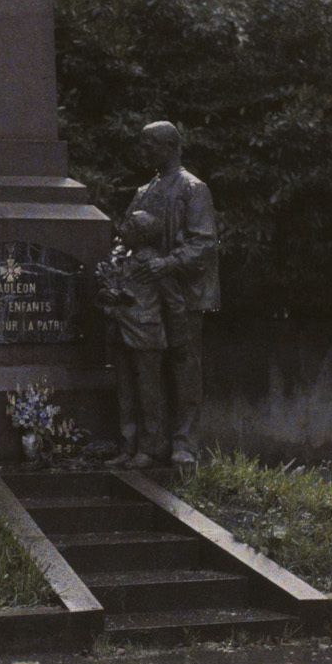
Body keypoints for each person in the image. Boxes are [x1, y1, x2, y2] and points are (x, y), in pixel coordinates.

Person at [122, 120, 218, 466]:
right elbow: (127, 237)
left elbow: (203, 243)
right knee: (148, 369)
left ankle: (185, 444)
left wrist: (166, 264)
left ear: (170, 147)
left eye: (149, 145)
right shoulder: (143, 191)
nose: (143, 151)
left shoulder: (193, 188)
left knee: (184, 366)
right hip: (147, 296)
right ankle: (151, 444)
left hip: (184, 294)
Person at [96, 203, 169, 466]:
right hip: (121, 332)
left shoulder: (154, 264)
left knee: (148, 396)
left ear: (141, 234)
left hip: (146, 335)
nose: (122, 229)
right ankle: (128, 447)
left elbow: (172, 301)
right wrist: (108, 298)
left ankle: (148, 450)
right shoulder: (122, 259)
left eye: (128, 226)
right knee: (125, 394)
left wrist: (178, 337)